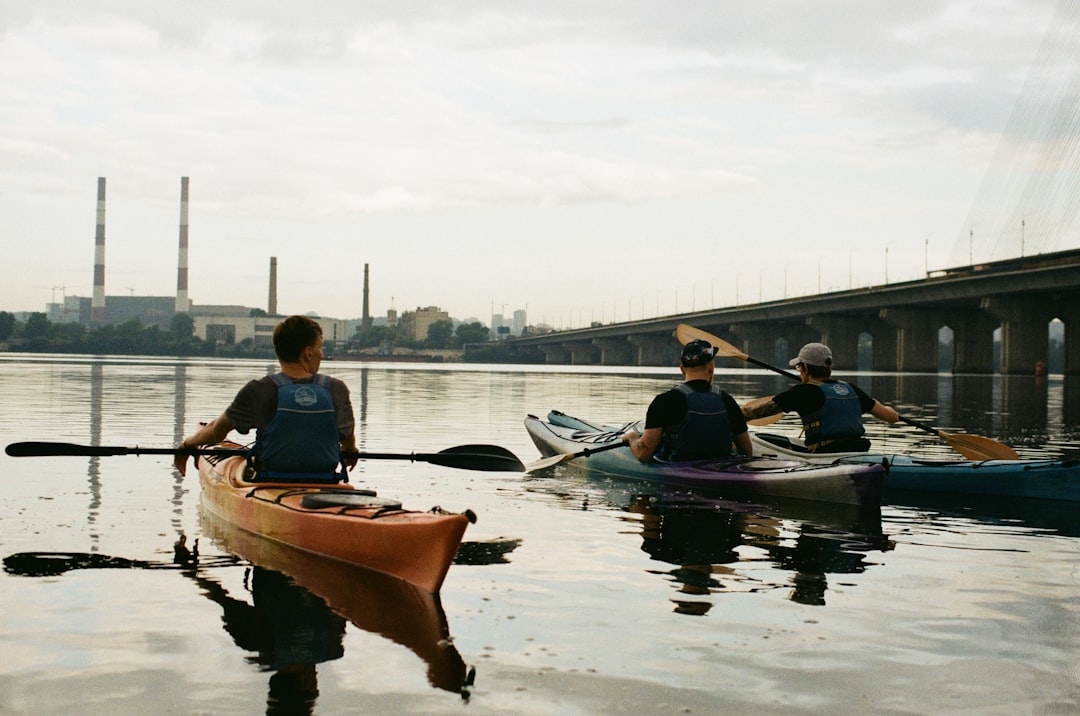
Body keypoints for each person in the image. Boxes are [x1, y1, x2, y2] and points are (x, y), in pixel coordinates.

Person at [174, 315, 358, 480]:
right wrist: (351, 451)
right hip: (325, 479)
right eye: (320, 347)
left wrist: (187, 444)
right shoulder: (337, 389)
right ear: (308, 353)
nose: (322, 354)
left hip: (269, 479)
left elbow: (217, 431)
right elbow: (348, 443)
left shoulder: (259, 390)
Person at [742, 342, 899, 452]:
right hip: (859, 449)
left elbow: (758, 412)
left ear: (805, 367)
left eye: (798, 367)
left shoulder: (802, 392)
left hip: (825, 454)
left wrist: (735, 414)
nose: (799, 371)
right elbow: (892, 417)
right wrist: (882, 406)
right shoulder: (851, 389)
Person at [622, 339, 752, 462]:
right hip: (721, 469)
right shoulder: (727, 400)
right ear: (711, 367)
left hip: (677, 468)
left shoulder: (664, 401)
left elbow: (643, 454)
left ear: (682, 369)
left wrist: (631, 437)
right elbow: (747, 451)